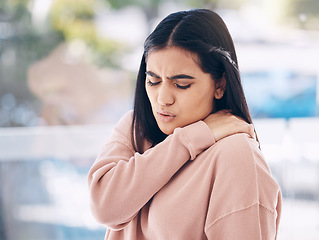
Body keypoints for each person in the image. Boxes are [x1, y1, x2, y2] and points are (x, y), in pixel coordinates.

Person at [88, 8, 282, 240]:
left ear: (220, 85)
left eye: (181, 84)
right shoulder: (135, 127)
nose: (162, 99)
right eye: (153, 81)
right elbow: (105, 208)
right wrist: (191, 139)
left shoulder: (236, 156)